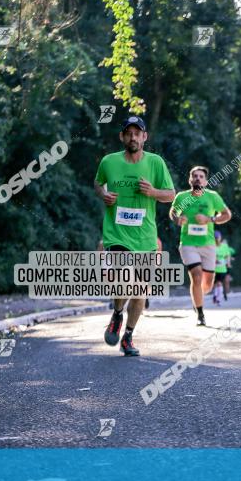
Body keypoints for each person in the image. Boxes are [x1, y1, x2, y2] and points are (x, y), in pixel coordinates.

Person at [95, 116, 175, 356]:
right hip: (116, 234)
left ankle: (127, 336)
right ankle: (118, 314)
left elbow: (171, 194)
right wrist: (103, 194)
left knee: (141, 291)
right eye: (128, 133)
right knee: (123, 279)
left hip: (145, 238)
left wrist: (152, 192)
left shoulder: (156, 163)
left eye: (137, 133)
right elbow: (98, 184)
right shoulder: (109, 161)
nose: (133, 137)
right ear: (122, 136)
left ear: (144, 137)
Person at [169, 166, 232, 326]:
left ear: (206, 180)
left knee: (208, 284)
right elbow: (173, 212)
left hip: (208, 245)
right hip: (188, 244)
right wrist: (178, 219)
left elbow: (227, 214)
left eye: (201, 176)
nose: (197, 178)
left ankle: (197, 298)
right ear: (190, 180)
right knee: (196, 276)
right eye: (194, 176)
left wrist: (210, 219)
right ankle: (200, 313)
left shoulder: (212, 197)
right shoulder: (182, 196)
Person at [213, 231, 231, 305]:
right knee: (215, 284)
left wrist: (228, 263)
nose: (217, 239)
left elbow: (227, 255)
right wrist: (214, 260)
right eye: (215, 238)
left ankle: (218, 299)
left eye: (218, 237)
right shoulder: (211, 246)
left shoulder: (224, 246)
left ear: (220, 238)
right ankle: (215, 295)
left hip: (222, 269)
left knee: (219, 283)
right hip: (213, 269)